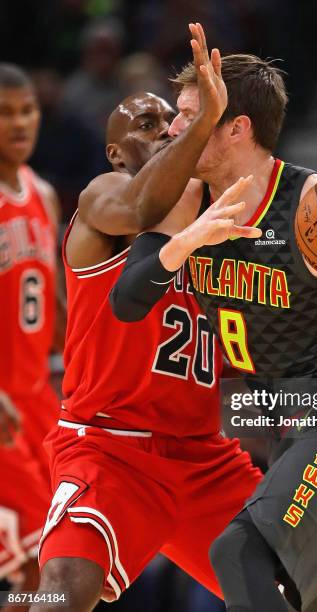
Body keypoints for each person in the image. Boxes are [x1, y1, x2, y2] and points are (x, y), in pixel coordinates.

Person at [111, 46, 317, 611]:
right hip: (291, 432)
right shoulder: (186, 206)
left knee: (238, 553)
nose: (174, 128)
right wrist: (183, 244)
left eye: (191, 116)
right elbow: (127, 300)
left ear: (237, 126)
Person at [32, 24, 261, 612]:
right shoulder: (105, 196)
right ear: (115, 151)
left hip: (205, 456)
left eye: (172, 123)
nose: (165, 132)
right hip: (110, 447)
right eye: (147, 126)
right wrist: (206, 117)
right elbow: (143, 205)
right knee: (64, 590)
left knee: (308, 589)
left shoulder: (221, 224)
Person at [0, 63, 63, 610]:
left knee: (51, 567)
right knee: (35, 567)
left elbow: (58, 307)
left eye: (28, 110)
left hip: (37, 397)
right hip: (2, 404)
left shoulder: (42, 193)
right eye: (6, 113)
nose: (20, 123)